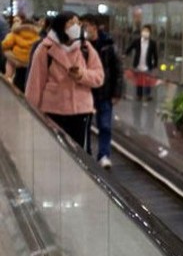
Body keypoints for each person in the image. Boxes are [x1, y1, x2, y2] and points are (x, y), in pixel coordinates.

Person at [25, 12, 103, 150]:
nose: (76, 26)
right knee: (54, 151)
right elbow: (35, 84)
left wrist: (82, 75)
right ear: (61, 26)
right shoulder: (45, 49)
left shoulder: (85, 48)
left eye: (78, 23)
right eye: (71, 23)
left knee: (78, 153)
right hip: (54, 112)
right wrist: (30, 114)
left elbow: (99, 77)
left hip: (80, 112)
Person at [81, 14, 123, 169]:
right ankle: (86, 152)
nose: (83, 29)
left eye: (85, 25)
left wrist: (116, 92)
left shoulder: (108, 45)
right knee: (84, 125)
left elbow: (118, 70)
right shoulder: (80, 45)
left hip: (104, 92)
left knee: (104, 125)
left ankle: (104, 154)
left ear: (94, 26)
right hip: (85, 92)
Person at [2, 15, 40, 91]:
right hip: (29, 61)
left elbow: (4, 45)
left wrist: (7, 52)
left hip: (15, 59)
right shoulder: (37, 36)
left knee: (9, 75)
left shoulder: (15, 33)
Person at [125, 25, 158, 101]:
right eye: (144, 31)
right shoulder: (137, 41)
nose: (145, 33)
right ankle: (139, 95)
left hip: (148, 64)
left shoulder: (152, 43)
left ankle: (147, 95)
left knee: (147, 80)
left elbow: (155, 55)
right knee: (139, 80)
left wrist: (155, 64)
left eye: (147, 31)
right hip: (138, 64)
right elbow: (130, 48)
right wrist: (125, 54)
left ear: (150, 33)